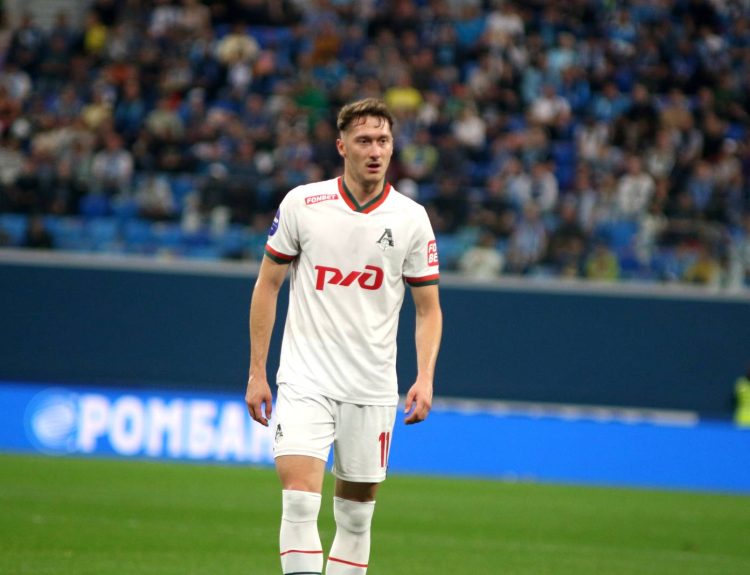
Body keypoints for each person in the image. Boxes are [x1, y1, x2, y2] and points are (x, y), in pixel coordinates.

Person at [244, 98, 443, 575]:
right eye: (364, 140)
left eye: (383, 141)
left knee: (355, 517)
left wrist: (425, 377)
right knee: (299, 501)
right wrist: (257, 372)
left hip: (371, 385)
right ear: (342, 147)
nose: (375, 150)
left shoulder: (411, 218)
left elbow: (428, 309)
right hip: (305, 378)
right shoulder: (303, 204)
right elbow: (267, 285)